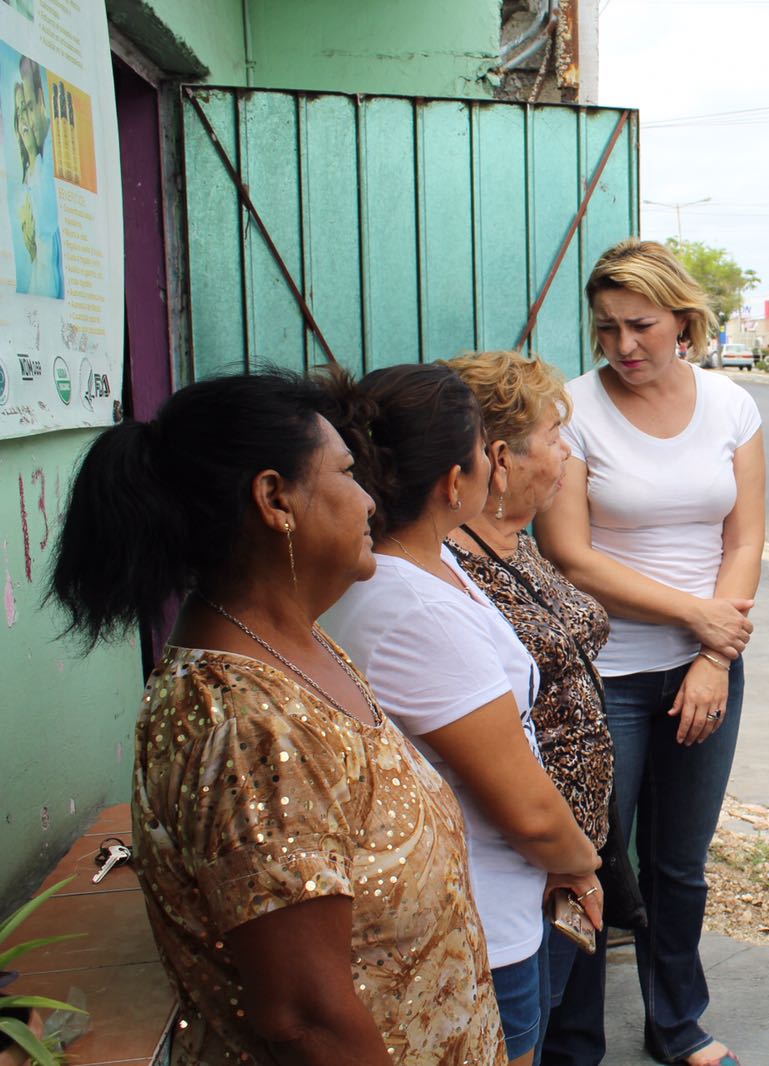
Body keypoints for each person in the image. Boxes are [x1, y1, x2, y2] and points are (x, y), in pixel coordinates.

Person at [49, 372, 507, 1065]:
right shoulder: (248, 729)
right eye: (348, 473)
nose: (368, 499)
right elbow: (306, 1020)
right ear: (275, 499)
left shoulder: (299, 645)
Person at [319, 364, 601, 1066]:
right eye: (484, 449)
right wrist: (579, 865)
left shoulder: (429, 563)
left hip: (501, 898)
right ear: (455, 480)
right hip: (479, 920)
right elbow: (525, 806)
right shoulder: (408, 607)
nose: (495, 463)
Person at [539, 239, 765, 1066]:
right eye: (605, 330)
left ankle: (679, 1025)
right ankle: (572, 1044)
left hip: (707, 670)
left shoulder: (732, 405)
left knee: (680, 864)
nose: (623, 347)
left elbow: (744, 539)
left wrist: (712, 653)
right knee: (589, 857)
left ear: (683, 320)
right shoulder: (572, 411)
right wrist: (698, 619)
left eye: (640, 326)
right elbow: (572, 556)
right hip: (605, 674)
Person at [444, 349, 615, 1066]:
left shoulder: (518, 542)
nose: (565, 454)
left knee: (563, 1031)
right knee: (528, 1032)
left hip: (568, 854)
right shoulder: (454, 565)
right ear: (500, 459)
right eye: (553, 436)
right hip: (531, 863)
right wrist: (567, 859)